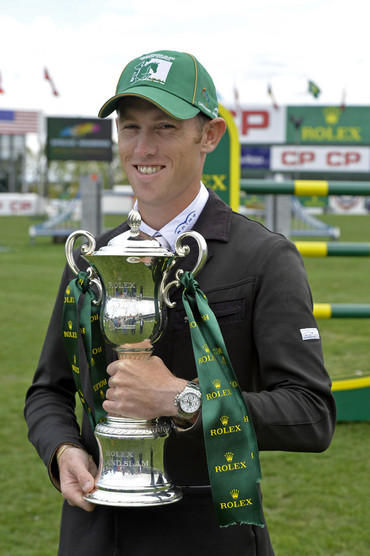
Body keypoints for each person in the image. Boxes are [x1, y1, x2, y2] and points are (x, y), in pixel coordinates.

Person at [25, 50, 336, 555]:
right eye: (130, 128)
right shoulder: (92, 258)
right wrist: (61, 449)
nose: (142, 147)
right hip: (94, 533)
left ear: (208, 135)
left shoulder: (264, 257)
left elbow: (312, 413)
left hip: (208, 534)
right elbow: (48, 392)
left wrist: (183, 399)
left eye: (165, 127)